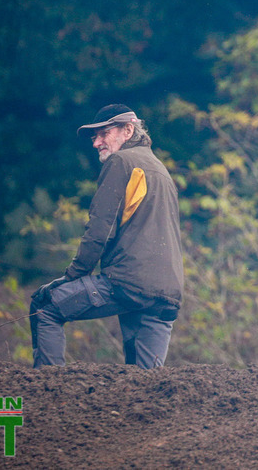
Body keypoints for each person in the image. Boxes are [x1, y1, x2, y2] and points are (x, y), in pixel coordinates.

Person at [30, 104, 184, 369]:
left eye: (103, 133)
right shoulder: (160, 169)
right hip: (167, 293)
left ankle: (49, 395)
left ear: (128, 130)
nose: (96, 143)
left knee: (44, 307)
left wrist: (72, 277)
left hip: (128, 282)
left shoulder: (121, 161)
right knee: (144, 383)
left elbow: (100, 231)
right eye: (94, 137)